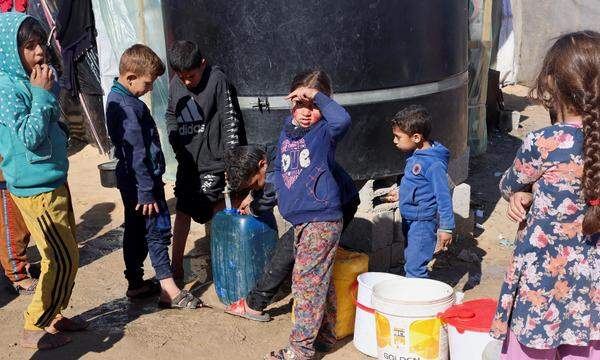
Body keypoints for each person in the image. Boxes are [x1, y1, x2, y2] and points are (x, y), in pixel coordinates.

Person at [490, 31, 600, 359]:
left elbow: (509, 184)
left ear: (552, 84)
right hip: (591, 286)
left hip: (543, 281)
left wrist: (523, 191)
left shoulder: (545, 142)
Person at [0, 13, 85, 349]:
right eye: (29, 47)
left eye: (41, 45)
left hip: (53, 179)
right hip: (36, 189)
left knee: (68, 254)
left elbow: (49, 127)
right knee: (60, 257)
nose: (39, 53)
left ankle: (55, 313)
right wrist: (43, 95)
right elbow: (31, 137)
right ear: (10, 51)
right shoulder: (8, 90)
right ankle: (34, 325)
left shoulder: (32, 79)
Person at [105, 44, 202, 309]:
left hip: (130, 181)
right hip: (143, 183)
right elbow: (136, 151)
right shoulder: (128, 107)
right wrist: (147, 190)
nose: (149, 89)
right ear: (131, 77)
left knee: (135, 230)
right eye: (147, 83)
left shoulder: (117, 99)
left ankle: (135, 283)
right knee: (156, 231)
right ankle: (168, 289)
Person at [266, 70, 351, 360]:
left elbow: (343, 119)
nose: (306, 112)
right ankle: (325, 337)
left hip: (321, 218)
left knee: (305, 282)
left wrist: (316, 96)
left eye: (313, 106)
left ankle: (300, 350)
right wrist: (274, 192)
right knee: (318, 281)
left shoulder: (325, 131)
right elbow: (279, 165)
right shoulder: (287, 131)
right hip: (302, 219)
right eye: (300, 104)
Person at [223, 144, 359, 323]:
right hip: (334, 201)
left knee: (286, 252)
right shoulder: (273, 151)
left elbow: (267, 197)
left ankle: (256, 305)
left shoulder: (276, 175)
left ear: (262, 163)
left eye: (255, 182)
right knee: (292, 252)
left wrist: (251, 207)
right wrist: (253, 192)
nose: (256, 187)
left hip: (334, 208)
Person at [165, 40, 244, 281]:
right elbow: (170, 114)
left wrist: (232, 162)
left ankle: (224, 262)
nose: (186, 82)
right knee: (182, 209)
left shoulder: (217, 81)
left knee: (204, 208)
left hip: (213, 162)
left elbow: (230, 120)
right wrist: (177, 144)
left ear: (202, 64)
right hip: (187, 161)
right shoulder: (175, 84)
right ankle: (175, 265)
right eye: (181, 77)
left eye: (191, 76)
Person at [390, 105, 454, 278]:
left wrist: (446, 227)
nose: (394, 141)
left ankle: (417, 300)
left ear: (416, 137)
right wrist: (402, 192)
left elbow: (443, 196)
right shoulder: (415, 154)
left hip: (422, 223)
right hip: (411, 219)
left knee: (415, 268)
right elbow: (417, 183)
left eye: (398, 137)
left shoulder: (433, 164)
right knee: (412, 259)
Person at [0, 162, 37, 295]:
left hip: (13, 171)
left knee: (18, 225)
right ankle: (17, 276)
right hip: (8, 175)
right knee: (12, 224)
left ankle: (17, 265)